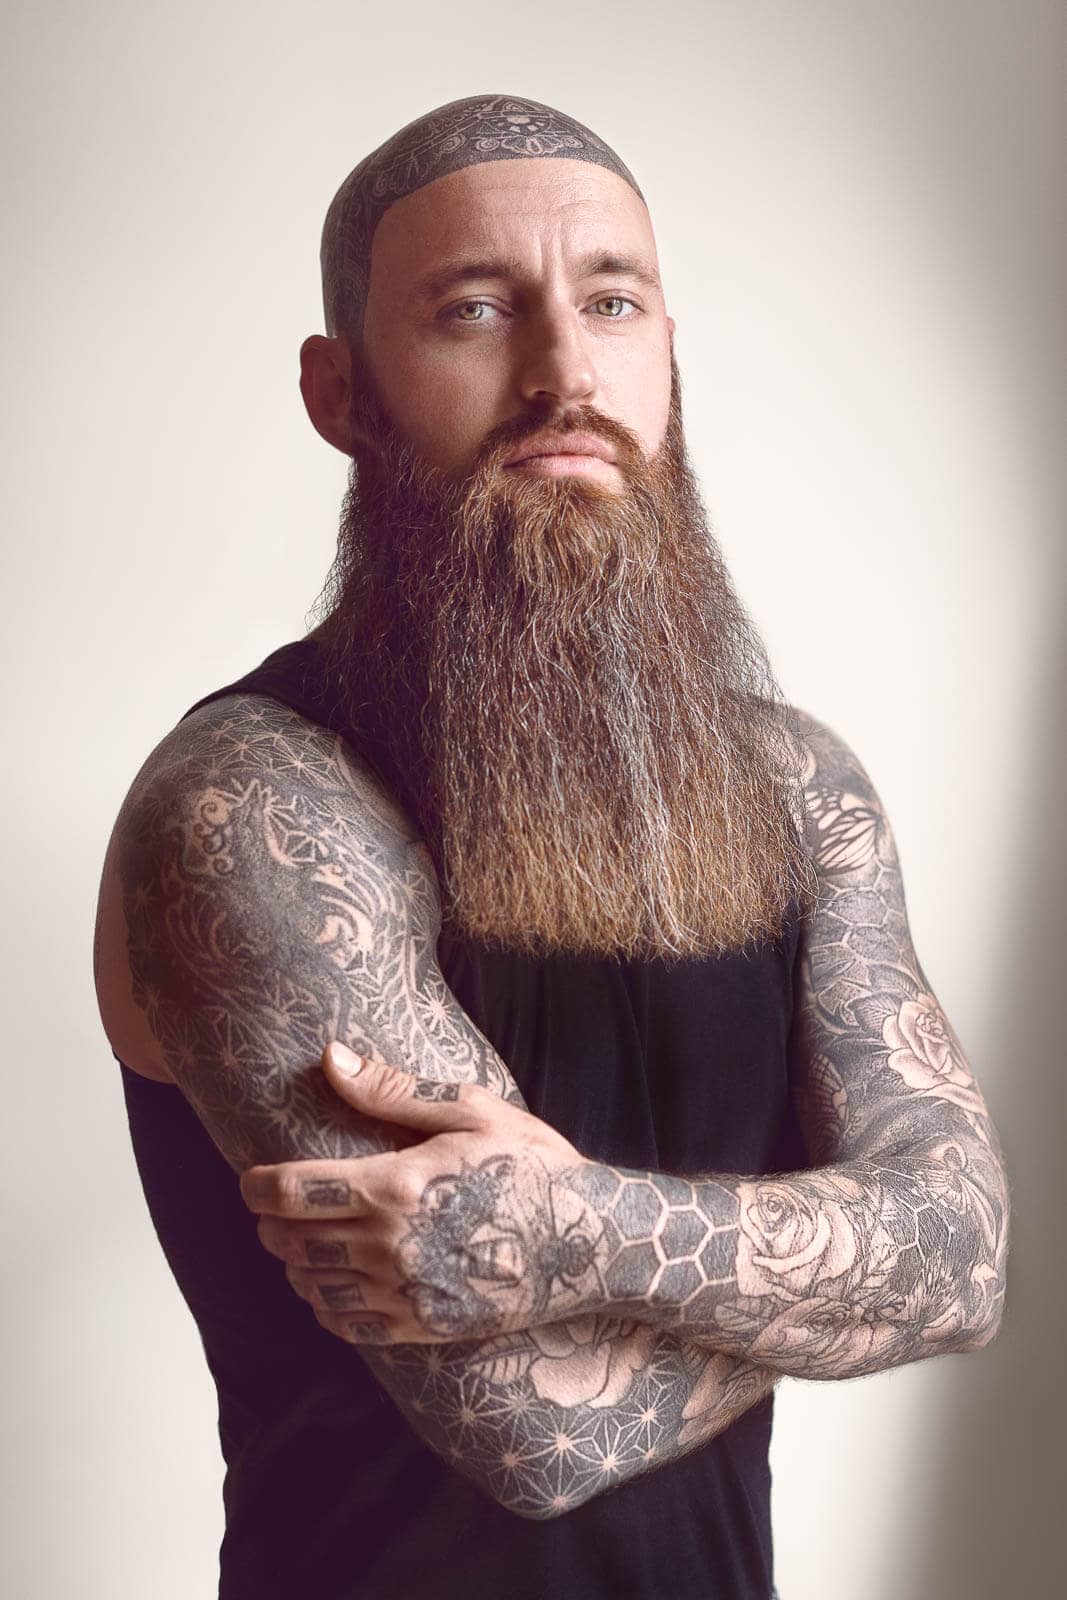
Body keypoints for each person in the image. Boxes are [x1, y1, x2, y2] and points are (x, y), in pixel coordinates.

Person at [93, 93, 1010, 1600]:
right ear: (342, 391)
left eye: (613, 302)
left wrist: (577, 1228)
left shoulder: (797, 787)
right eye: (473, 309)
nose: (565, 374)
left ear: (669, 357)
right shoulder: (252, 808)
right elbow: (537, 1429)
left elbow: (969, 1253)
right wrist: (858, 1262)